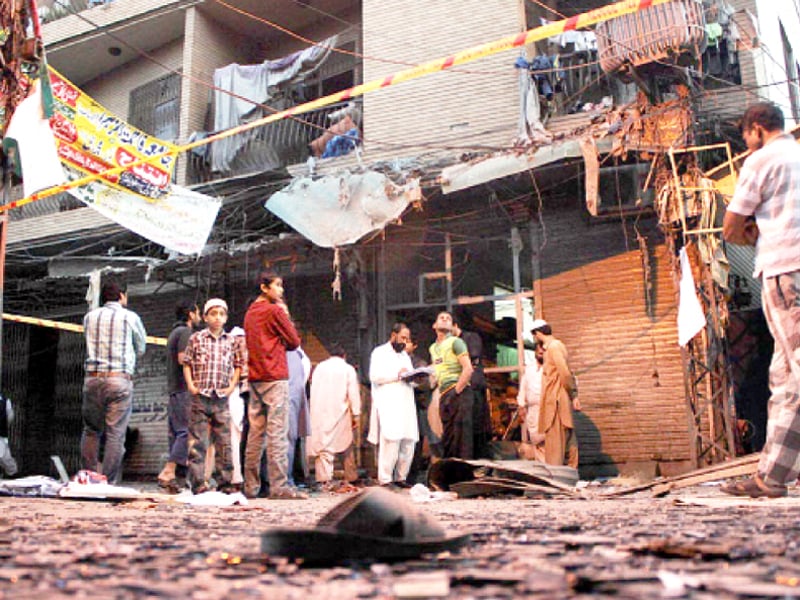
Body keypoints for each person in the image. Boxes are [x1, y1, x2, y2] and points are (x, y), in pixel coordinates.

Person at [721, 102, 800, 498]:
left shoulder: (760, 160)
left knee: (795, 374)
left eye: (745, 135)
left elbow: (731, 225)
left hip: (786, 271)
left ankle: (773, 476)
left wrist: (752, 234)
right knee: (784, 378)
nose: (745, 143)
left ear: (755, 128)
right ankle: (773, 476)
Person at [243, 271, 307, 500]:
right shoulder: (275, 311)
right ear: (264, 287)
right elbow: (294, 341)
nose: (281, 291)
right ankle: (279, 487)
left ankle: (250, 486)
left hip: (255, 378)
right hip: (275, 377)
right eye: (278, 286)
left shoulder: (250, 313)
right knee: (277, 434)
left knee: (255, 435)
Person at [81, 278, 147, 484]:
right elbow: (141, 347)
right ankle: (107, 482)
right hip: (119, 380)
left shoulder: (89, 317)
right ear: (122, 295)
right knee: (115, 434)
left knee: (91, 430)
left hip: (92, 379)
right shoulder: (130, 317)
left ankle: (89, 478)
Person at [183, 298, 243, 494]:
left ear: (226, 318)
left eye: (221, 314)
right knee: (197, 442)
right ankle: (198, 483)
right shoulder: (196, 338)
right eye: (213, 314)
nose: (217, 318)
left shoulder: (231, 341)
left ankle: (225, 482)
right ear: (206, 317)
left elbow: (238, 365)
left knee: (224, 441)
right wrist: (191, 385)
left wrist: (232, 385)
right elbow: (187, 363)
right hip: (201, 396)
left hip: (221, 398)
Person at [367, 323, 419, 487]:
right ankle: (385, 479)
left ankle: (401, 477)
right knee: (391, 440)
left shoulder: (404, 356)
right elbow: (374, 376)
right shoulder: (380, 352)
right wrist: (397, 375)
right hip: (389, 403)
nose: (405, 341)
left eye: (407, 339)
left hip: (406, 402)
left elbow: (408, 376)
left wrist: (416, 379)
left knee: (408, 441)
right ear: (393, 335)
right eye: (403, 337)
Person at [158, 300, 202, 493]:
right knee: (186, 432)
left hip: (176, 389)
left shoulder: (174, 333)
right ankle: (169, 471)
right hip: (184, 388)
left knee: (177, 433)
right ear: (191, 314)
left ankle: (177, 478)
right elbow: (183, 358)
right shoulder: (185, 332)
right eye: (198, 312)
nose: (199, 316)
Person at [307, 344, 361, 489]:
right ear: (344, 356)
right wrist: (356, 414)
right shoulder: (348, 369)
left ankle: (323, 479)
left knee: (324, 447)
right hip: (339, 412)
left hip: (319, 411)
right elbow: (353, 393)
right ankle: (351, 477)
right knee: (346, 443)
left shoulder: (319, 368)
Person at [531, 319, 580, 468]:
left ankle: (557, 478)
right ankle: (571, 474)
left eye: (534, 335)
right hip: (558, 399)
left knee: (555, 443)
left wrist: (573, 394)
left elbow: (564, 373)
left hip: (556, 401)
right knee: (567, 440)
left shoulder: (554, 347)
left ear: (538, 333)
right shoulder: (553, 347)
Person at [429, 311, 474, 459]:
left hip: (459, 392)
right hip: (444, 393)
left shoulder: (456, 342)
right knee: (447, 437)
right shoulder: (432, 348)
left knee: (461, 439)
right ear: (434, 325)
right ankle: (450, 475)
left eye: (448, 318)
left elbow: (468, 369)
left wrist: (456, 391)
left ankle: (462, 476)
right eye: (441, 317)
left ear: (452, 326)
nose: (445, 319)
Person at [453, 318, 491, 458]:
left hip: (473, 389)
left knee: (475, 429)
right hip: (460, 391)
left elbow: (473, 358)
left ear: (455, 325)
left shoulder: (471, 338)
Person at [286, 346, 311, 487]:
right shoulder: (296, 355)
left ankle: (289, 478)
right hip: (288, 400)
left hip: (292, 401)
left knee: (291, 441)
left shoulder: (297, 355)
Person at [517, 343, 546, 461]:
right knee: (535, 441)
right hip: (533, 411)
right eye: (539, 352)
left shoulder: (551, 368)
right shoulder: (529, 369)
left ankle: (550, 468)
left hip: (546, 409)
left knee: (546, 442)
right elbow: (523, 388)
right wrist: (521, 405)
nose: (541, 354)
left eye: (543, 352)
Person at [0, 394, 18, 478]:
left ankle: (12, 476)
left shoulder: (5, 400)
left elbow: (10, 417)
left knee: (4, 457)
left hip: (0, 434)